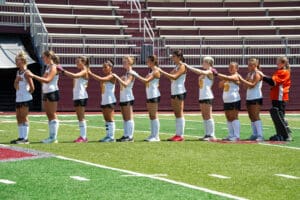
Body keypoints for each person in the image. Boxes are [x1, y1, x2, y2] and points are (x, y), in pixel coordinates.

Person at [27, 50, 60, 144]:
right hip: (46, 92)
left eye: (44, 57)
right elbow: (43, 79)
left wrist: (33, 76)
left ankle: (53, 137)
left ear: (49, 57)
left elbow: (47, 80)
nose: (43, 59)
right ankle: (51, 137)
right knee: (49, 114)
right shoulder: (48, 67)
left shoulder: (53, 67)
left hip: (52, 92)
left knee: (52, 114)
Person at [57, 56, 89, 143]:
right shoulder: (82, 70)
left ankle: (83, 137)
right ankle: (83, 136)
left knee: (81, 117)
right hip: (78, 96)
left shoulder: (85, 70)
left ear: (83, 62)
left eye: (78, 62)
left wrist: (63, 71)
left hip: (81, 96)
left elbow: (74, 75)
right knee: (79, 117)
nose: (76, 63)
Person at [129, 55, 161, 142]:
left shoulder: (156, 71)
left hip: (154, 94)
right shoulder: (151, 71)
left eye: (148, 61)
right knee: (151, 115)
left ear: (153, 61)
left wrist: (136, 74)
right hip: (150, 94)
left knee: (154, 115)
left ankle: (156, 136)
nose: (147, 63)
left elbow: (146, 81)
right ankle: (152, 134)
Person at [184, 56, 216, 141]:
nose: (203, 64)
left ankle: (211, 135)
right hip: (202, 95)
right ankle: (207, 134)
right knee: (204, 115)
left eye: (204, 62)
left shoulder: (210, 71)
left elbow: (200, 72)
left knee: (208, 115)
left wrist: (189, 67)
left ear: (209, 63)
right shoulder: (205, 72)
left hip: (207, 95)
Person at [261, 56, 292, 141]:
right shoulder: (279, 71)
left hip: (280, 97)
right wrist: (263, 76)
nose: (276, 63)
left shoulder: (284, 72)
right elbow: (272, 81)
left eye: (278, 62)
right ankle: (280, 134)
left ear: (283, 63)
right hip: (276, 97)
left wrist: (262, 76)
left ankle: (287, 135)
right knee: (277, 116)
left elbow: (273, 82)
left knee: (280, 116)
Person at [159, 50, 186, 142]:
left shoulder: (182, 66)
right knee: (176, 113)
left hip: (179, 91)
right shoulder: (177, 66)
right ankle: (177, 134)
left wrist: (162, 71)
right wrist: (163, 73)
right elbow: (171, 75)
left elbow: (174, 77)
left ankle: (180, 135)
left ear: (179, 57)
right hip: (175, 90)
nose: (172, 58)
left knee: (179, 113)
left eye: (174, 56)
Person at [89, 60, 116, 142]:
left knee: (110, 118)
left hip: (110, 99)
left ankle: (111, 137)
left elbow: (101, 79)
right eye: (103, 67)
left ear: (110, 68)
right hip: (104, 99)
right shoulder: (106, 77)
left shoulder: (112, 76)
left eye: (105, 67)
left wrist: (90, 73)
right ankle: (108, 135)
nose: (103, 69)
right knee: (106, 119)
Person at [11, 51, 35, 144]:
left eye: (18, 60)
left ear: (23, 61)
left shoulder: (27, 72)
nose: (16, 62)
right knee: (18, 117)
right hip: (18, 98)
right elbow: (15, 86)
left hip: (25, 98)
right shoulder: (18, 72)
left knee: (24, 117)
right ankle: (21, 137)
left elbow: (32, 87)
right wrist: (16, 81)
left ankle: (25, 138)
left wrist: (27, 93)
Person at [239, 58, 264, 141]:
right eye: (248, 64)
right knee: (251, 116)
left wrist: (243, 80)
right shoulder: (250, 74)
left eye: (250, 65)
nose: (248, 66)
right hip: (249, 96)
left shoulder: (257, 73)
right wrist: (246, 82)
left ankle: (260, 135)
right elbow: (245, 86)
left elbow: (252, 85)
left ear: (255, 65)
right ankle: (255, 134)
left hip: (256, 96)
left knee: (256, 116)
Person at [215, 62, 241, 141]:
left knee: (234, 117)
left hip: (234, 99)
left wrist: (217, 74)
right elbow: (220, 85)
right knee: (228, 117)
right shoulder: (227, 77)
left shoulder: (237, 75)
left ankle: (236, 135)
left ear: (237, 69)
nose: (230, 69)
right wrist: (224, 79)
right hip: (227, 100)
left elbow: (231, 79)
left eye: (232, 67)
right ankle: (231, 135)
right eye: (229, 67)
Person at [112, 56, 135, 142]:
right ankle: (126, 135)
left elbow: (126, 84)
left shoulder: (131, 73)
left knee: (129, 117)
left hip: (128, 96)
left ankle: (130, 136)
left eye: (125, 62)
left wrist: (117, 77)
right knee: (125, 118)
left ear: (129, 63)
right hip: (123, 96)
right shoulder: (126, 73)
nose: (123, 63)